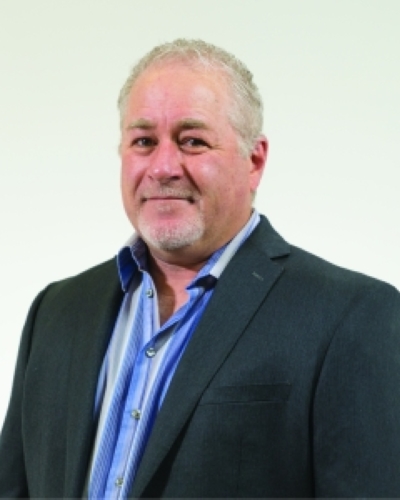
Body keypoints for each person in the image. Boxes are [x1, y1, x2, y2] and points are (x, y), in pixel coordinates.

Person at [1, 38, 400, 499]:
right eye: (144, 142)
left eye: (192, 141)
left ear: (254, 160)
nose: (163, 167)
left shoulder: (352, 316)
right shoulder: (55, 311)